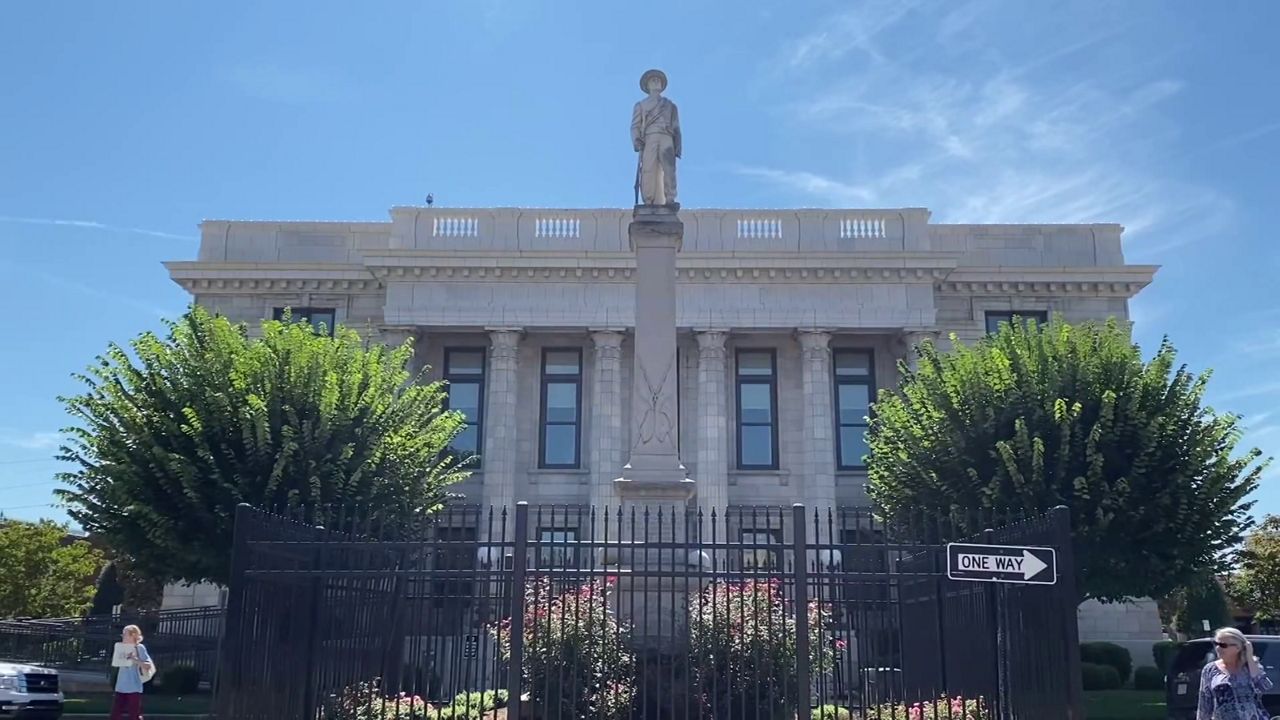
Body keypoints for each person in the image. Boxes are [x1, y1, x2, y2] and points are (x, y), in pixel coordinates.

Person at [630, 68, 681, 206]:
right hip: (649, 137)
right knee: (648, 169)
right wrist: (636, 140)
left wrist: (677, 146)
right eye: (653, 80)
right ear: (647, 85)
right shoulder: (641, 105)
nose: (656, 82)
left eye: (658, 80)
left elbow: (676, 127)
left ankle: (670, 198)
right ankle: (648, 199)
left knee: (669, 169)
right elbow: (635, 126)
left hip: (667, 137)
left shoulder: (670, 106)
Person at [1197, 627, 1272, 720]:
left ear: (1238, 647)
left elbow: (1265, 687)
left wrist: (1249, 657)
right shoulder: (1210, 669)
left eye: (1223, 645)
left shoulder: (1251, 666)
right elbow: (1204, 704)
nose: (1218, 648)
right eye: (1216, 644)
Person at [110, 624, 153, 720]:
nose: (123, 637)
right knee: (115, 715)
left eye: (125, 634)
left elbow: (148, 665)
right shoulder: (120, 648)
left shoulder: (139, 648)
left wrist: (135, 659)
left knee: (134, 715)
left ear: (133, 635)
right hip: (120, 686)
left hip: (134, 687)